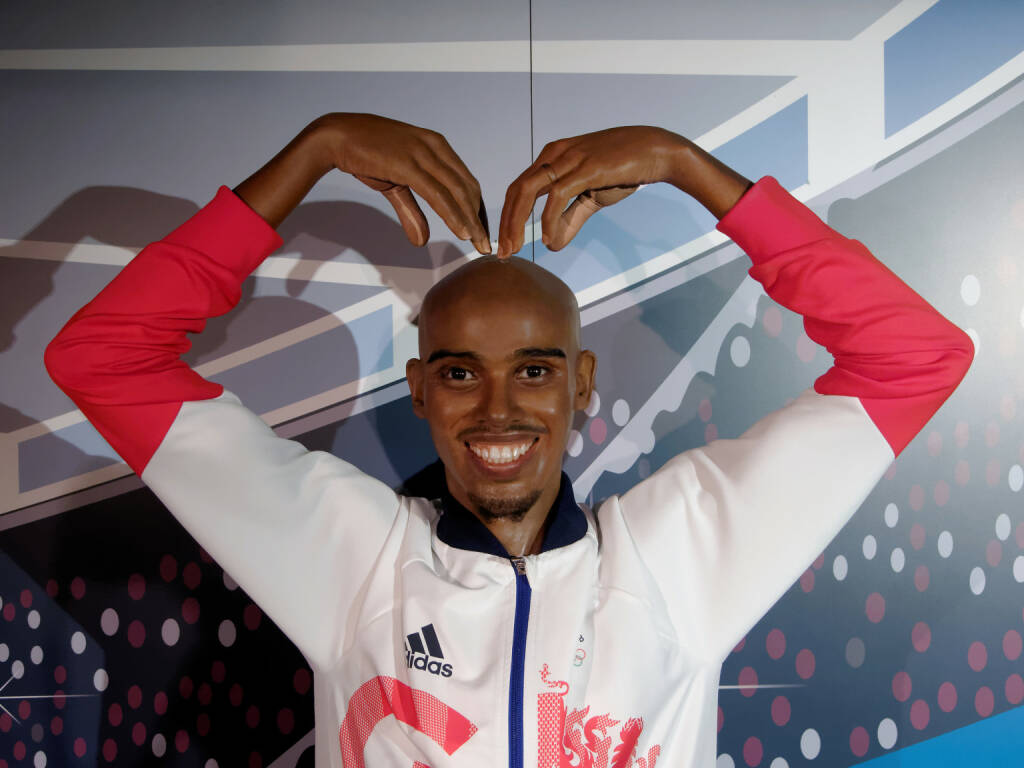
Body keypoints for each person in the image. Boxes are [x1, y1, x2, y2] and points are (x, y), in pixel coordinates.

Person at [45, 113, 973, 768]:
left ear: (581, 385)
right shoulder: (355, 558)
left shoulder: (675, 561)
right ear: (419, 390)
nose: (497, 409)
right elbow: (105, 359)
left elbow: (914, 357)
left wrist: (689, 168)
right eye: (459, 372)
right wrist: (315, 151)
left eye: (533, 370)